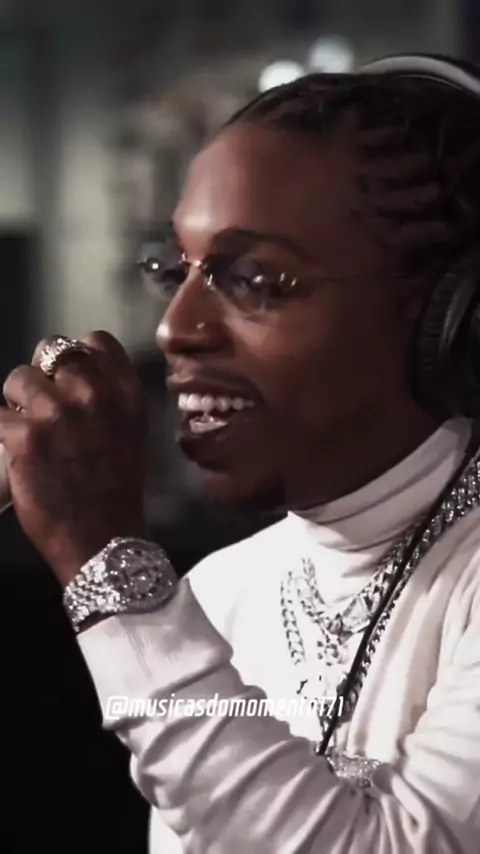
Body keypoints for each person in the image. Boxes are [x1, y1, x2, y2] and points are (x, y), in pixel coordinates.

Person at [2, 53, 480, 852]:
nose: (176, 329)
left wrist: (109, 571)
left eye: (255, 279)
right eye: (176, 272)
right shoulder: (218, 595)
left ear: (449, 321)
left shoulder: (154, 611)